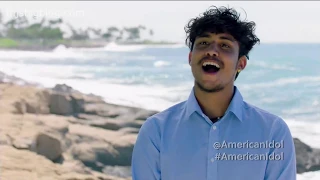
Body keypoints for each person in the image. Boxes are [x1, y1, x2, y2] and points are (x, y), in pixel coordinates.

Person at [131, 5, 296, 180]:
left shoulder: (273, 132)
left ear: (240, 64)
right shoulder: (156, 131)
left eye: (225, 45)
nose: (211, 51)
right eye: (203, 43)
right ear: (190, 57)